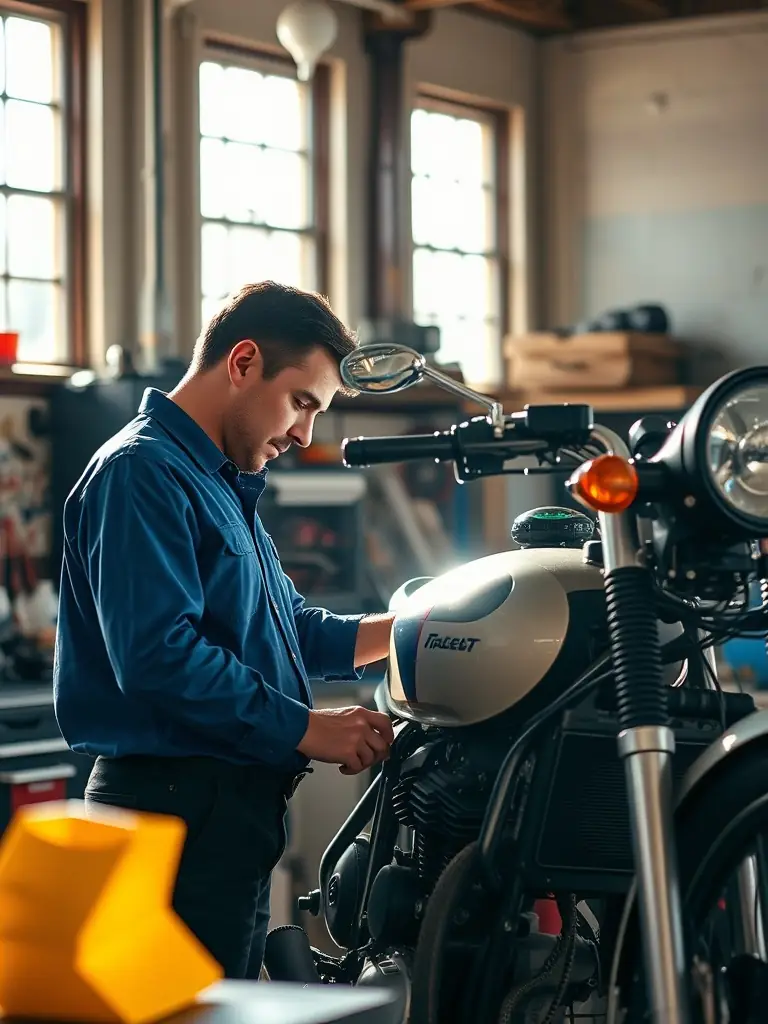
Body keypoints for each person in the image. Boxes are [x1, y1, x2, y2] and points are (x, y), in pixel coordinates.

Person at [53, 281, 396, 981]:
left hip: (218, 817)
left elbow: (286, 630)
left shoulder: (219, 480)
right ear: (243, 363)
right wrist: (309, 727)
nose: (305, 433)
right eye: (302, 403)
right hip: (170, 817)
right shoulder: (141, 472)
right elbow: (159, 657)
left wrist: (418, 627)